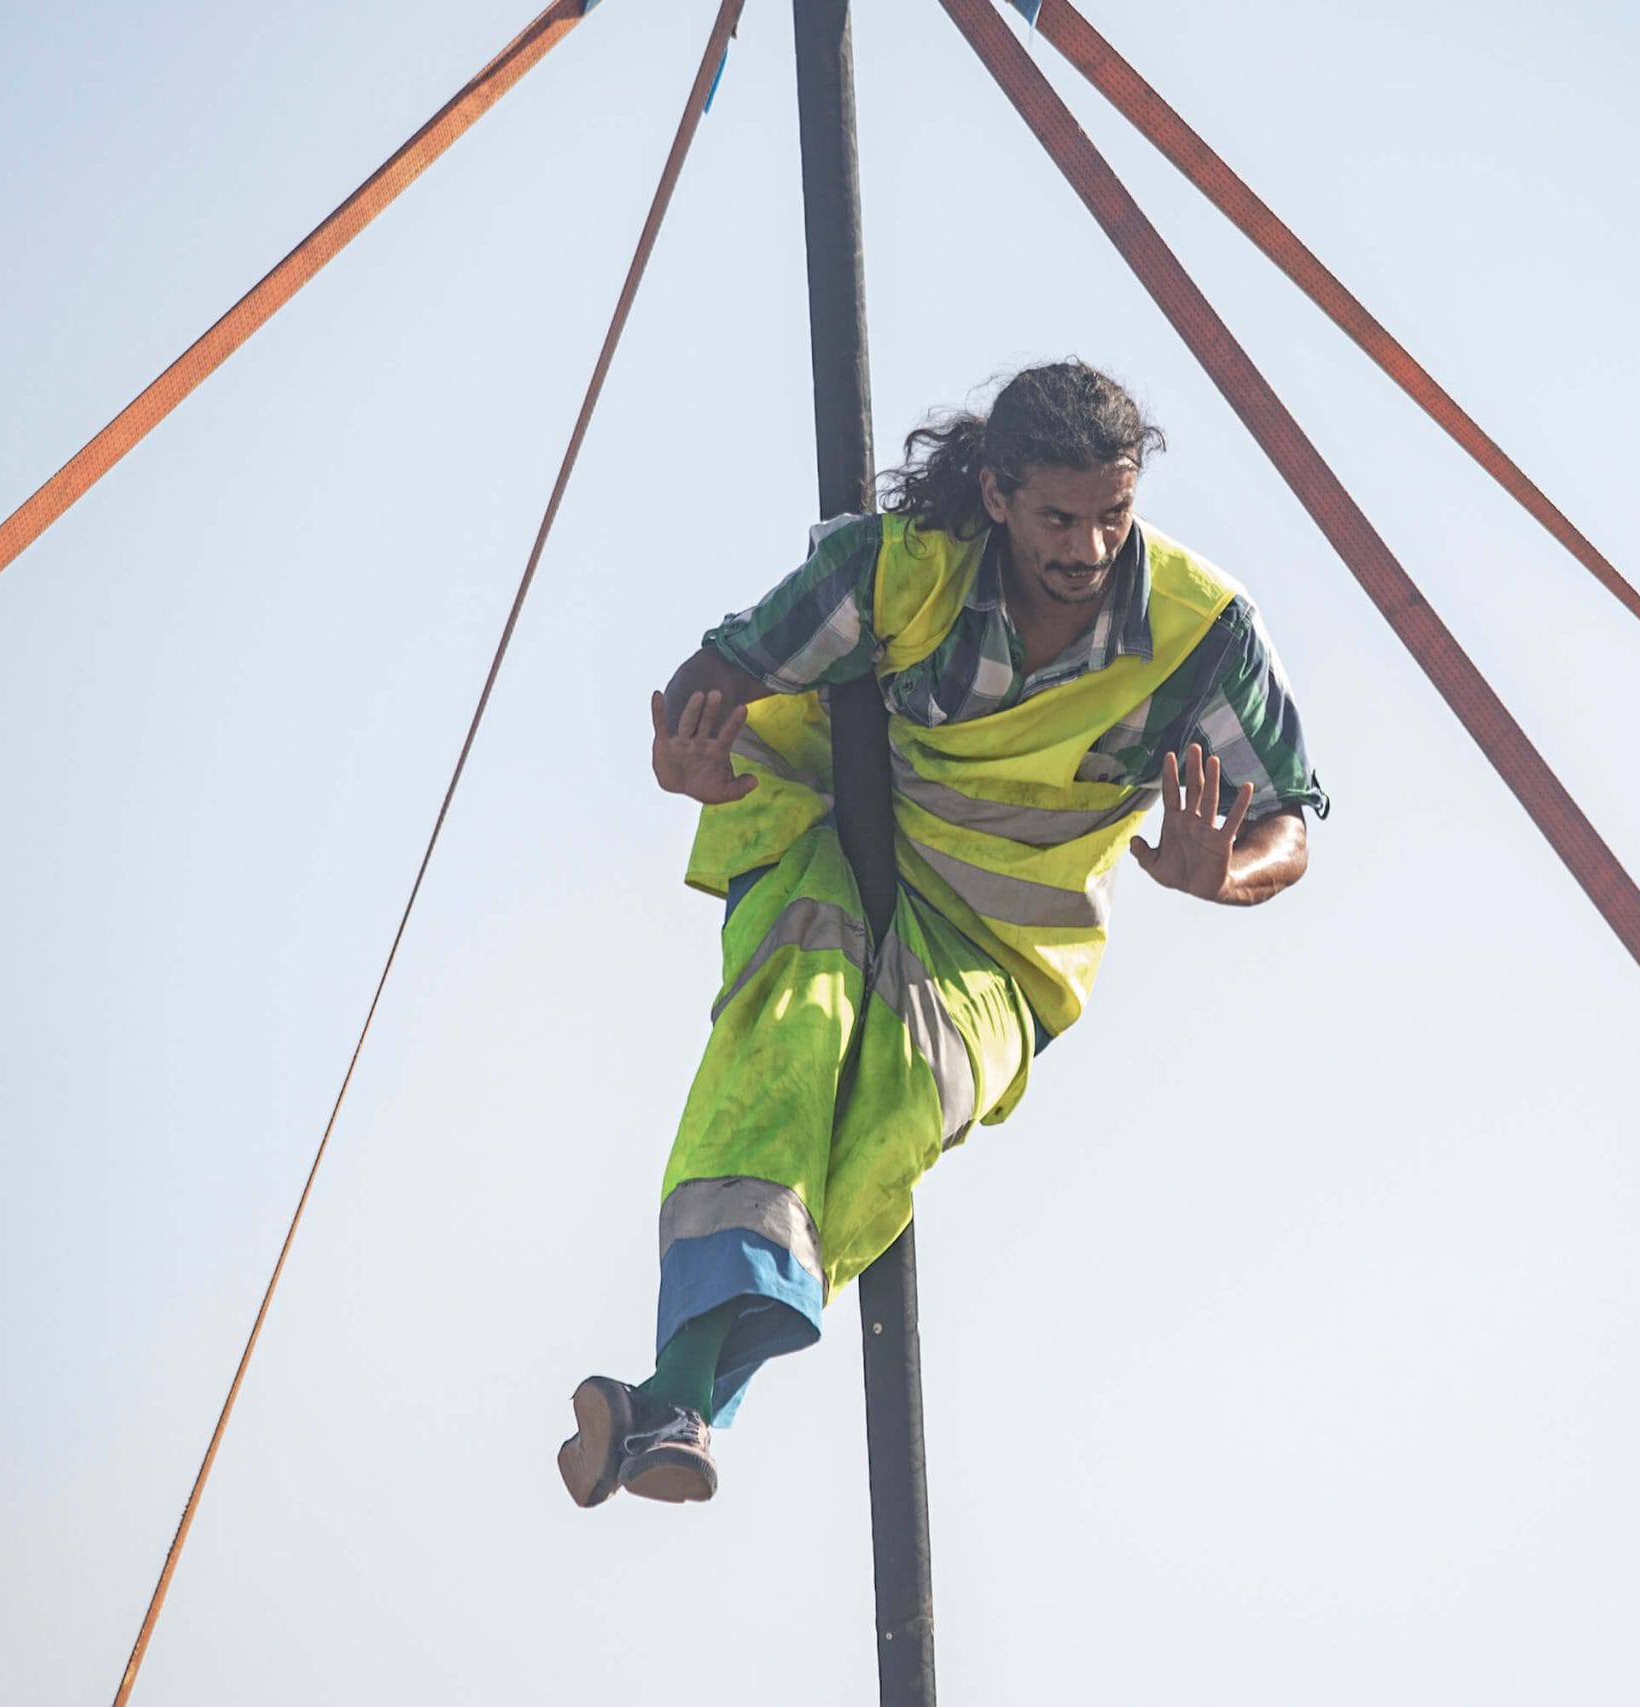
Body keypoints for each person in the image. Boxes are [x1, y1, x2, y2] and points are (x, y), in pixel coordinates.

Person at [558, 361, 1327, 1506]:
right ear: (997, 493)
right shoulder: (899, 571)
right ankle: (682, 1395)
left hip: (1005, 932)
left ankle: (670, 1399)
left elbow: (1290, 819)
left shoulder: (1199, 631)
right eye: (1058, 519)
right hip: (828, 825)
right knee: (790, 1044)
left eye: (1112, 516)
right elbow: (721, 669)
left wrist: (1224, 876)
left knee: (888, 1126)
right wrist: (687, 746)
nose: (1085, 549)